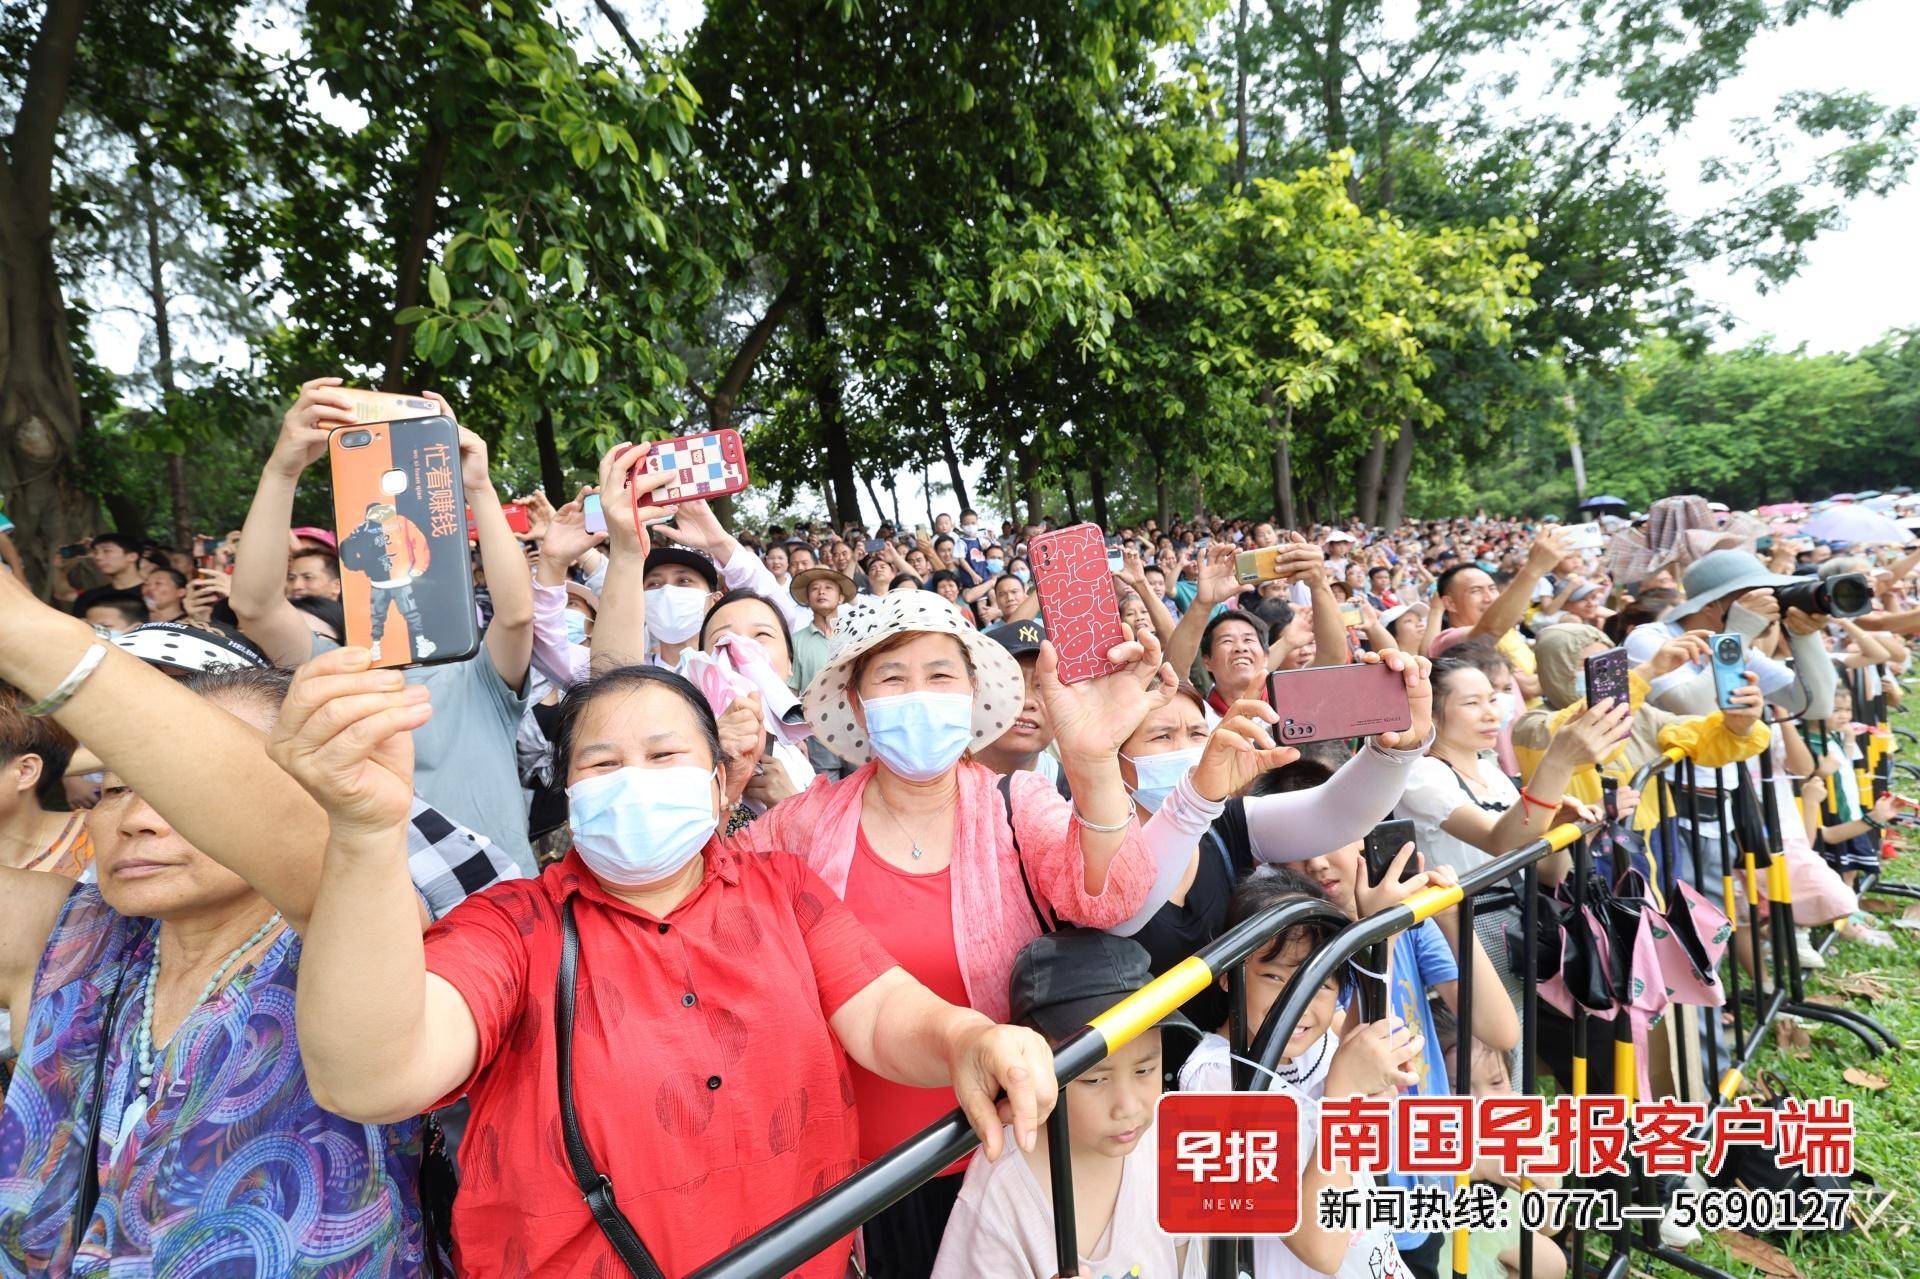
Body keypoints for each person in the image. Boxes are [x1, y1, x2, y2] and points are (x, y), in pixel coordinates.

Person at [285, 658, 1058, 1279]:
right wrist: (361, 834)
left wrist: (965, 1038)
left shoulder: (782, 888)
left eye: (664, 755)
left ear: (720, 783)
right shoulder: (513, 925)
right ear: (568, 794)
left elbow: (883, 1009)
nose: (637, 779)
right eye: (603, 761)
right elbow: (372, 1076)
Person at [0, 574, 518, 1276]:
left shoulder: (365, 927)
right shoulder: (70, 932)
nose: (139, 815)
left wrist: (26, 630)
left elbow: (305, 844)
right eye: (115, 785)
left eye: (191, 786)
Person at [714, 581, 1174, 1278]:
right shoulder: (805, 823)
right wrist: (719, 789)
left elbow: (1111, 895)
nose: (919, 693)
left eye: (940, 674)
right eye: (893, 677)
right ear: (860, 706)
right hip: (861, 1181)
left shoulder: (1014, 803)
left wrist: (1093, 761)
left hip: (1010, 1162)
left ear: (971, 695)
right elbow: (708, 904)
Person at [229, 378, 539, 873]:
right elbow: (255, 608)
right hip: (387, 910)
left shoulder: (479, 675)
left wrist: (477, 485)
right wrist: (282, 470)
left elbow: (518, 613)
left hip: (505, 908)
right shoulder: (337, 674)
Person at [1179, 870, 1421, 1279]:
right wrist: (1344, 1096)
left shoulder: (1320, 1042)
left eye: (1321, 984)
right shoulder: (1215, 1079)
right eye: (1274, 977)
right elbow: (1319, 1250)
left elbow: (1358, 1044)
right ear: (1228, 973)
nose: (1299, 1006)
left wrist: (1383, 940)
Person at [929, 931, 1204, 1279]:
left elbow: (1189, 1258)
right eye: (1094, 1079)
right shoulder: (1001, 1193)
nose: (1128, 1106)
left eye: (1145, 1070)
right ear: (1032, 1071)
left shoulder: (1167, 1142)